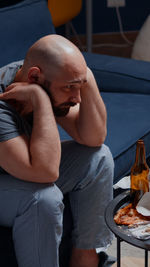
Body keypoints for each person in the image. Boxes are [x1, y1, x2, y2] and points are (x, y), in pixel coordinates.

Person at [0, 34, 114, 267]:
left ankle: (84, 257)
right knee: (43, 199)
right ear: (34, 76)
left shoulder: (37, 77)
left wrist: (84, 76)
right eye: (69, 88)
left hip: (20, 168)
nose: (77, 98)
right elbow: (45, 172)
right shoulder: (5, 102)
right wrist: (40, 99)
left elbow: (93, 138)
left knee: (99, 158)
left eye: (78, 87)